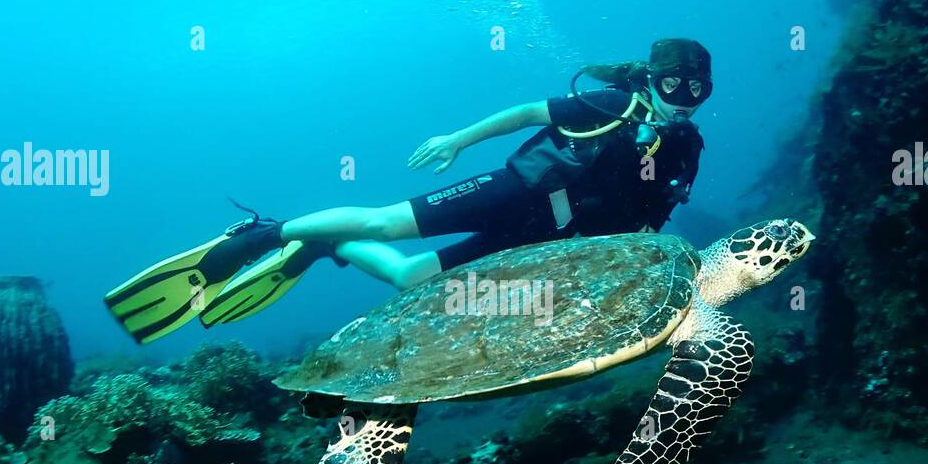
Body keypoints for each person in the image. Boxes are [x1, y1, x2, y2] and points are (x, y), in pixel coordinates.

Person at [105, 38, 712, 344]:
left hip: (551, 240)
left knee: (409, 279)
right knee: (384, 223)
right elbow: (530, 111)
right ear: (651, 79)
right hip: (515, 193)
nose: (681, 100)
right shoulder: (609, 104)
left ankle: (324, 248)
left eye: (695, 91)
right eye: (672, 85)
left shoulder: (688, 148)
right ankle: (268, 233)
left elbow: (650, 222)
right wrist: (458, 138)